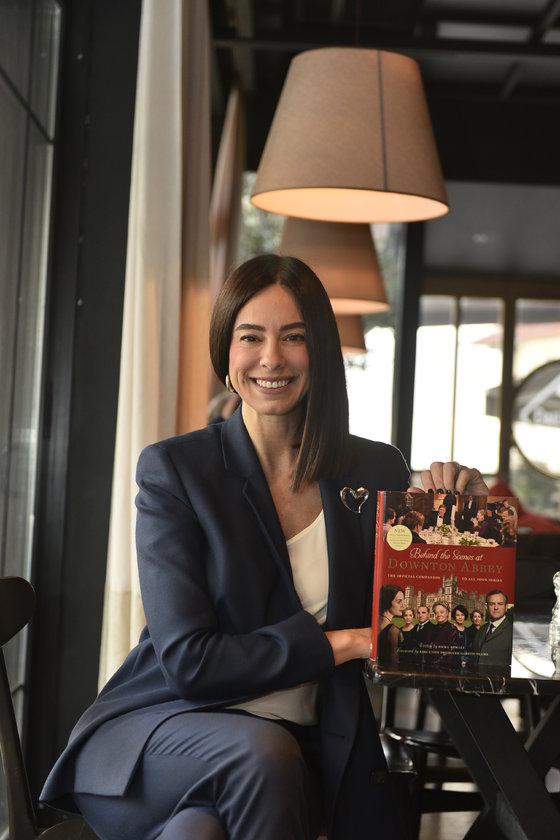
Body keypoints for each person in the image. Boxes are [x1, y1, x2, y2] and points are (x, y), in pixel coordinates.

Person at [39, 254, 489, 840]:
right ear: (226, 354)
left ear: (319, 350)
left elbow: (440, 635)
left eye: (293, 337)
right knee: (264, 754)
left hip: (290, 755)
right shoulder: (177, 471)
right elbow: (191, 664)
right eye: (251, 336)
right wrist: (344, 643)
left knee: (200, 831)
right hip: (160, 733)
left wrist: (466, 523)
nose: (271, 357)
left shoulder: (374, 470)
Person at [471, 589, 513, 675]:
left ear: (506, 607)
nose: (496, 607)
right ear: (486, 607)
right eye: (492, 604)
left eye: (500, 604)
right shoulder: (482, 629)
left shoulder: (513, 632)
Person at [424, 601, 461, 672]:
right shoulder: (431, 629)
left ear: (447, 613)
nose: (439, 615)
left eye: (442, 612)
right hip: (429, 668)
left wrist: (434, 664)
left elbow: (451, 654)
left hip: (444, 669)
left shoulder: (452, 630)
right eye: (436, 612)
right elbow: (426, 649)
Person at [377, 585, 405, 667]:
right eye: (399, 602)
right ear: (388, 601)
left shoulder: (376, 620)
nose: (402, 606)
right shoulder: (394, 629)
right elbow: (394, 658)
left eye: (403, 602)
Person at [451, 604, 469, 669]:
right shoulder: (450, 629)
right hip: (451, 662)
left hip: (463, 662)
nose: (460, 617)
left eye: (462, 615)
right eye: (458, 615)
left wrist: (465, 660)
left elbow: (468, 648)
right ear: (454, 616)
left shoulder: (467, 630)